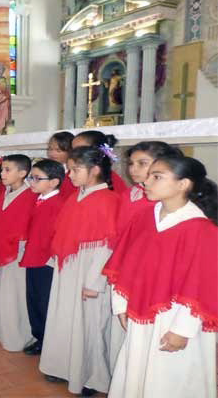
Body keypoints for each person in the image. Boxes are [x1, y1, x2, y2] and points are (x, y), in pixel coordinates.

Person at [103, 156, 217, 398]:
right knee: (136, 372)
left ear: (183, 184)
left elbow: (203, 285)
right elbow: (124, 263)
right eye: (149, 175)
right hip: (140, 309)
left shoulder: (201, 229)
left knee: (171, 380)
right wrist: (121, 304)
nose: (146, 181)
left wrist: (183, 330)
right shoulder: (144, 218)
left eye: (157, 177)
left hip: (175, 317)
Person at [39, 146, 120, 396]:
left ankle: (89, 376)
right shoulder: (76, 197)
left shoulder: (108, 200)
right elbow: (63, 233)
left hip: (89, 270)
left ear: (95, 170)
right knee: (64, 317)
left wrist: (94, 282)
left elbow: (107, 245)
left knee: (88, 324)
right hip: (69, 267)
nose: (69, 174)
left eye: (75, 169)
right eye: (69, 169)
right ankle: (62, 365)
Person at [0, 155, 36, 352]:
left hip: (17, 252)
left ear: (22, 173)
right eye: (2, 169)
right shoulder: (4, 192)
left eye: (7, 170)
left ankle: (17, 335)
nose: (2, 174)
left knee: (14, 295)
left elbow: (26, 225)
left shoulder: (30, 195)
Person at [20, 159, 66, 356]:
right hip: (33, 256)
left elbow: (59, 234)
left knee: (43, 301)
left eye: (37, 178)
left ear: (54, 182)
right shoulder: (39, 199)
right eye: (31, 177)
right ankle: (39, 336)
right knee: (33, 299)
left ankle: (47, 341)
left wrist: (51, 258)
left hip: (46, 261)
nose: (31, 181)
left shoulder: (58, 204)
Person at [117, 141, 183, 233]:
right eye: (131, 163)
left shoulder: (167, 199)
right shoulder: (130, 193)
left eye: (142, 163)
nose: (132, 169)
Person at [46, 131, 75, 199]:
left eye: (58, 150)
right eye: (50, 149)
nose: (52, 154)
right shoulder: (46, 169)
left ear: (70, 151)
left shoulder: (72, 174)